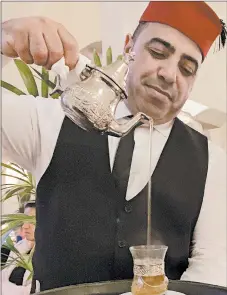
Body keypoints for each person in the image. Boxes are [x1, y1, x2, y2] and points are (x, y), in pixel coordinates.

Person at [1, 1, 226, 293]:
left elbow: (214, 265)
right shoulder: (52, 120)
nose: (170, 74)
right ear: (128, 47)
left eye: (186, 68)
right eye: (158, 52)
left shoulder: (213, 160)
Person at [1, 202, 36, 295]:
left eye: (31, 221)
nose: (25, 226)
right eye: (24, 221)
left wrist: (5, 289)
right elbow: (2, 279)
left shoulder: (48, 255)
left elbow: (34, 290)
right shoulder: (19, 248)